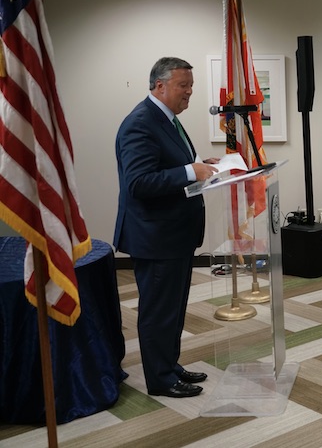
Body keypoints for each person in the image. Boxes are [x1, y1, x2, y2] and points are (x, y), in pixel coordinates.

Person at [114, 57, 219, 398]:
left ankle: (170, 366)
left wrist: (201, 166)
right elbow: (139, 182)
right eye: (182, 86)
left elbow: (168, 164)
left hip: (175, 234)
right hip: (156, 236)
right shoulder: (140, 123)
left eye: (191, 86)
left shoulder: (167, 120)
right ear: (159, 86)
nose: (189, 93)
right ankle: (160, 379)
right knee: (158, 311)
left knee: (173, 308)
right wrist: (191, 172)